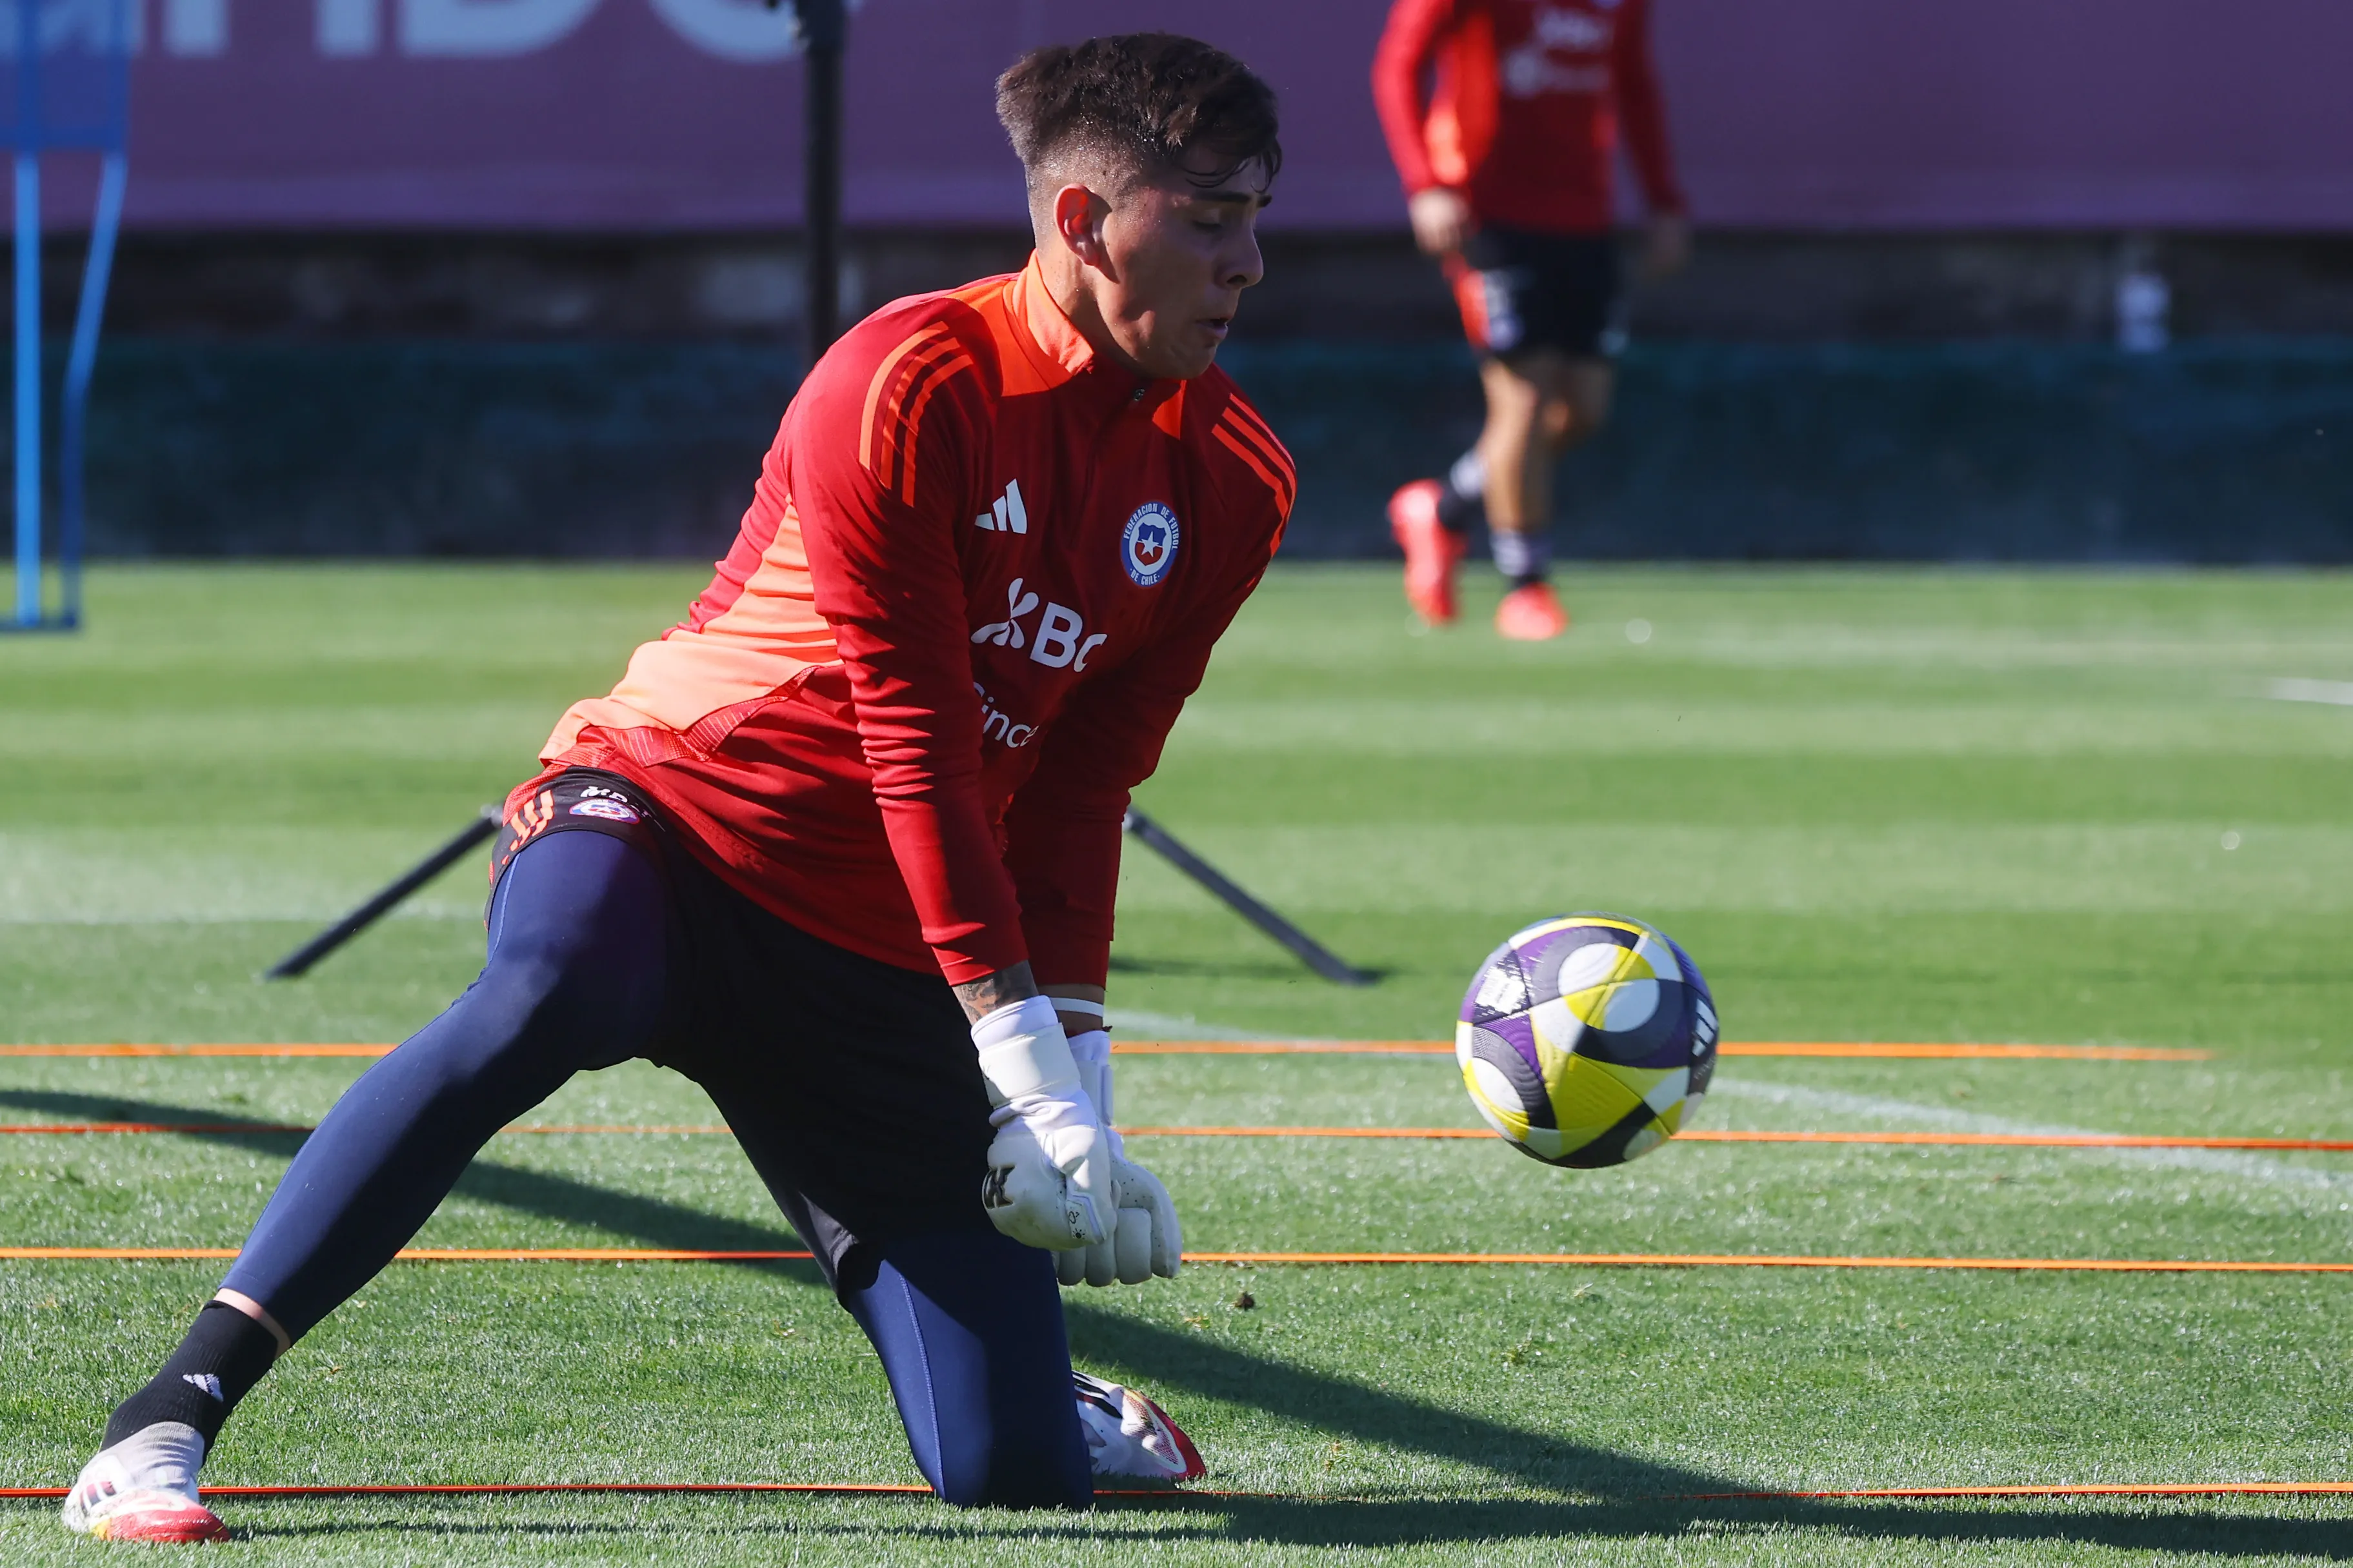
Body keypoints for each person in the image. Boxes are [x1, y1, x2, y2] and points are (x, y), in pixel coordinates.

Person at [61, 32, 1293, 1541]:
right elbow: (912, 735)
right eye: (1211, 218)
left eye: (1257, 218)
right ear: (1087, 224)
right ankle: (165, 1416)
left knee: (1015, 1475)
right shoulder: (906, 380)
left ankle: (1059, 1406)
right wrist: (1023, 1065)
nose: (1247, 262)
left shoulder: (1237, 481)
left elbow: (1084, 782)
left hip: (873, 949)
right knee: (556, 978)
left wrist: (1083, 1081)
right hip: (672, 823)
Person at [1371, 0, 1688, 639]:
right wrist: (1424, 184)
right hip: (1490, 213)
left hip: (1583, 216)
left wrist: (1662, 199)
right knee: (1521, 399)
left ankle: (1446, 505)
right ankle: (1526, 586)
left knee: (1579, 412)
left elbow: (1631, 81)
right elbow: (1398, 64)